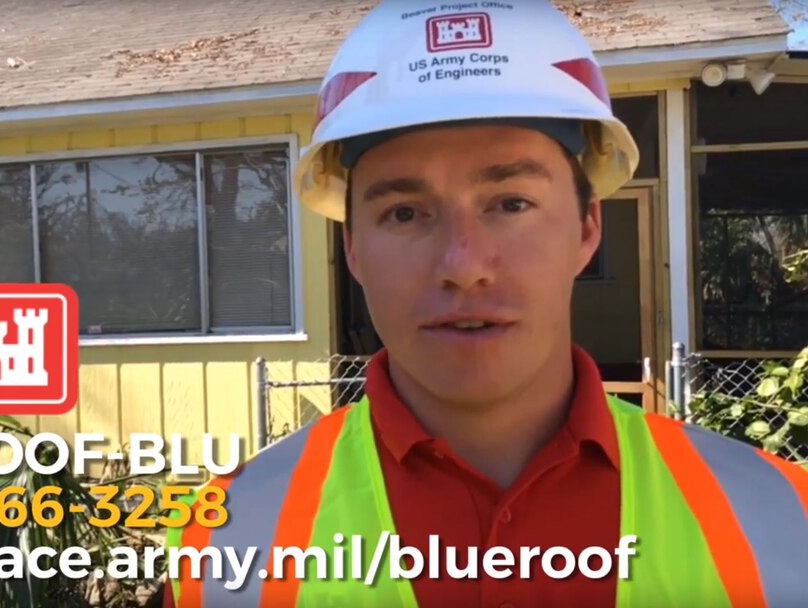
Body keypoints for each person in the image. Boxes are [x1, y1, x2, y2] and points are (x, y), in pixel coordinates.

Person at [164, 1, 808, 606]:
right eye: (406, 212)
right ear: (353, 247)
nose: (464, 266)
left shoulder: (784, 521)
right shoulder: (217, 545)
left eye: (511, 204)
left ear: (588, 228)